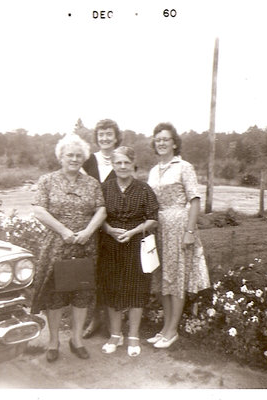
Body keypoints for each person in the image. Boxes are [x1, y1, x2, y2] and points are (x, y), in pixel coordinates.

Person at [31, 134, 107, 362]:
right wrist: (64, 230)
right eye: (69, 155)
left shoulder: (92, 183)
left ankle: (76, 340)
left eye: (78, 156)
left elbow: (101, 210)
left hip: (84, 246)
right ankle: (53, 342)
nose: (74, 159)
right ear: (61, 157)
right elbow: (38, 210)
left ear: (83, 158)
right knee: (55, 295)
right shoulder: (47, 181)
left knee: (81, 295)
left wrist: (88, 232)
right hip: (56, 246)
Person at [147, 122, 210, 348]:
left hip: (179, 227)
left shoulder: (184, 167)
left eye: (166, 139)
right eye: (158, 139)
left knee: (176, 279)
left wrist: (190, 232)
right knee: (162, 279)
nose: (161, 143)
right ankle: (165, 327)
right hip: (159, 228)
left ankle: (173, 330)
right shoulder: (154, 170)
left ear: (174, 143)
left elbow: (194, 201)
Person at [97, 146, 159, 357]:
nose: (122, 167)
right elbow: (98, 216)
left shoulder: (144, 189)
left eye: (126, 163)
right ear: (113, 165)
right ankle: (115, 335)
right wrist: (109, 230)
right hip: (110, 244)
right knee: (112, 288)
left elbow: (153, 219)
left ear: (133, 164)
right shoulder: (105, 188)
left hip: (136, 245)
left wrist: (133, 232)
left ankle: (133, 335)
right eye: (118, 163)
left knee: (136, 289)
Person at [81, 119, 122, 338]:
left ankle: (112, 322)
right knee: (93, 273)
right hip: (91, 224)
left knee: (112, 272)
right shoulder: (88, 160)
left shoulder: (122, 159)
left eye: (109, 134)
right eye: (101, 134)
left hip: (116, 224)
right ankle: (95, 319)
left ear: (116, 137)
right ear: (97, 138)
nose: (105, 138)